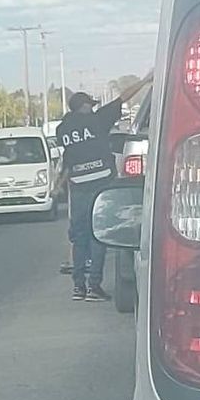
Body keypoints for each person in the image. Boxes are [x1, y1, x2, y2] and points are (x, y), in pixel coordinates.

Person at [54, 72, 152, 302]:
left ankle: (78, 286)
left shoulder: (62, 130)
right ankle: (93, 286)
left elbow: (68, 159)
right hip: (100, 186)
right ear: (85, 106)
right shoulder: (96, 120)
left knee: (79, 236)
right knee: (100, 234)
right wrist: (146, 80)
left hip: (77, 187)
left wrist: (58, 185)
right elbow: (123, 98)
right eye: (91, 104)